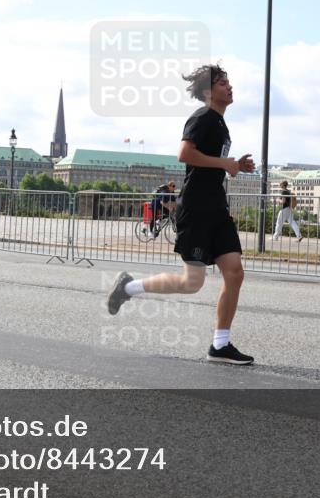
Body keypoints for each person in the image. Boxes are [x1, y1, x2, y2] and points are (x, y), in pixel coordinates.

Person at [107, 64, 257, 365]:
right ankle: (128, 287)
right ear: (207, 91)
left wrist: (234, 166)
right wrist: (224, 163)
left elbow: (211, 163)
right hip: (197, 209)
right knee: (193, 283)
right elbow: (184, 154)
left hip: (217, 209)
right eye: (222, 82)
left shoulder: (220, 124)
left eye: (229, 81)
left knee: (235, 273)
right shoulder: (202, 118)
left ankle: (220, 345)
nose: (229, 86)